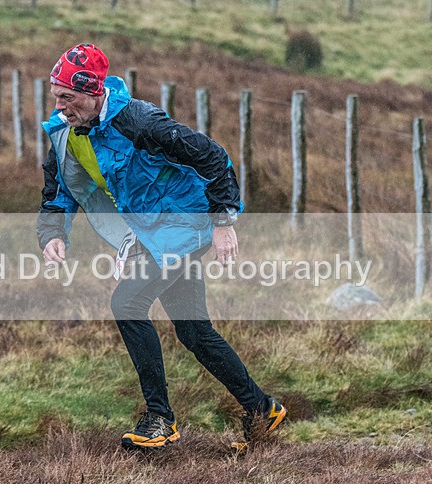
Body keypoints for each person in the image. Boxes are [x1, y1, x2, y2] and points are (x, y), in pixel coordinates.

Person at [37, 43, 286, 450]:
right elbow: (59, 190)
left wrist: (222, 222)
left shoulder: (139, 121)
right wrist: (52, 235)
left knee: (127, 304)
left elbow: (212, 157)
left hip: (185, 227)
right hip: (150, 234)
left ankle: (159, 419)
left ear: (94, 91)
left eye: (69, 97)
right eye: (57, 97)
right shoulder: (66, 134)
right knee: (193, 330)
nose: (61, 106)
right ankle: (261, 408)